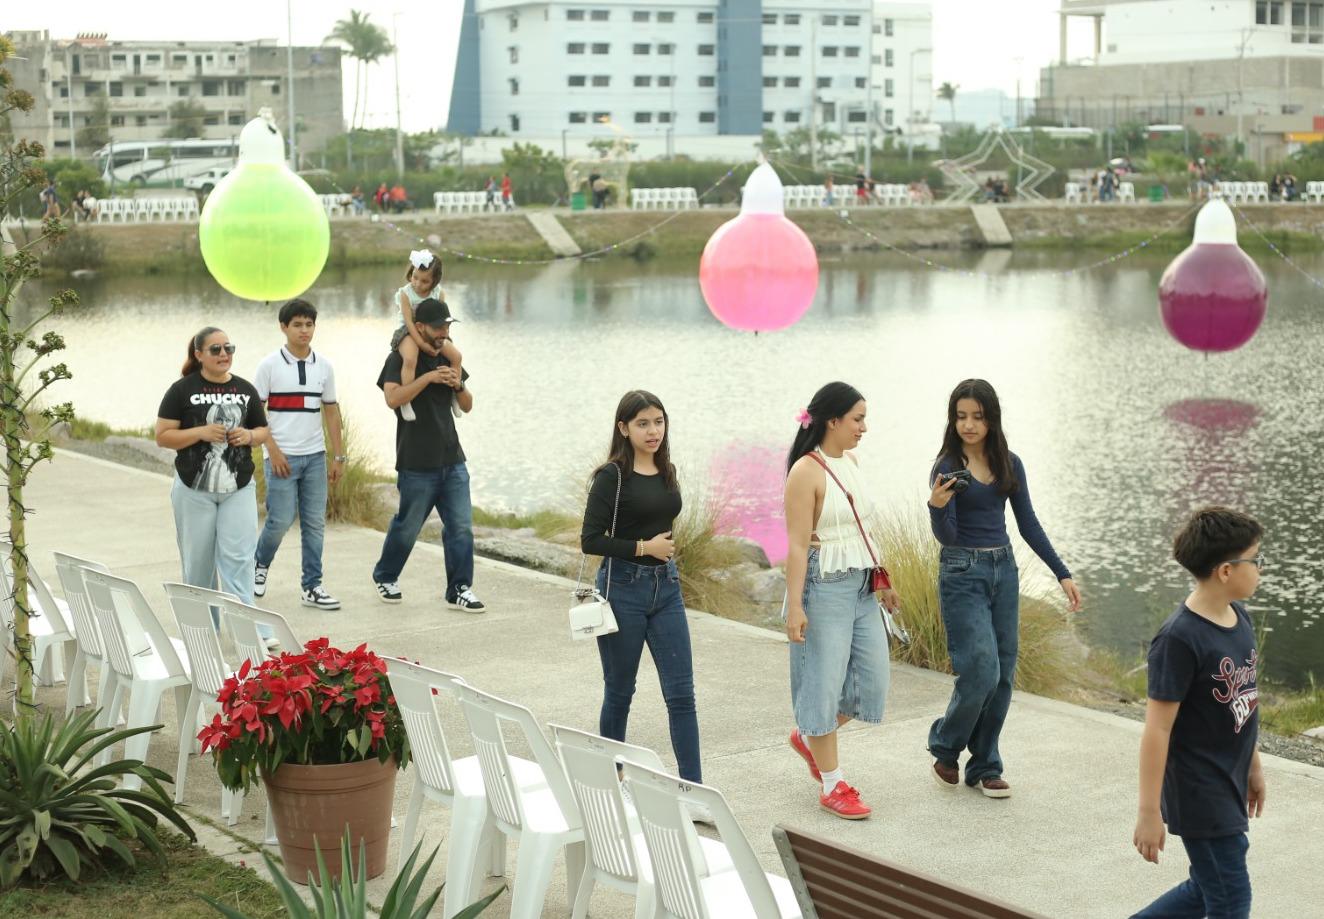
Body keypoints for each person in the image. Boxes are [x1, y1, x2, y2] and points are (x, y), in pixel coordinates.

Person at [926, 379, 1081, 797]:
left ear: (991, 418)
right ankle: (945, 743)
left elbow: (1027, 523)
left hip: (1003, 570)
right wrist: (936, 509)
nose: (969, 425)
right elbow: (948, 536)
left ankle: (984, 765)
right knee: (980, 670)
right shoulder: (947, 467)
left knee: (1004, 675)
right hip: (962, 571)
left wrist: (1061, 571)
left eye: (977, 416)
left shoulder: (1010, 463)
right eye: (961, 416)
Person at [1130, 507, 1265, 919]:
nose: (1260, 569)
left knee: (1206, 889)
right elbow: (1157, 729)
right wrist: (1149, 812)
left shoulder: (1236, 617)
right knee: (1230, 900)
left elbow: (1243, 703)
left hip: (1227, 781)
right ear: (1226, 571)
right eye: (1255, 560)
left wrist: (1253, 766)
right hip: (1198, 791)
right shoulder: (1179, 639)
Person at [580, 390, 705, 809]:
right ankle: (610, 779)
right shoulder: (611, 477)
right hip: (623, 590)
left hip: (666, 588)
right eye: (643, 424)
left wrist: (659, 555)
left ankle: (694, 794)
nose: (653, 431)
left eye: (659, 421)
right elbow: (590, 540)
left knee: (682, 693)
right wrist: (642, 549)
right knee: (620, 691)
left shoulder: (667, 469)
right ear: (623, 428)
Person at [783, 382, 899, 820]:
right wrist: (795, 606)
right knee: (822, 685)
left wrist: (882, 577)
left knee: (872, 685)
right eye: (858, 419)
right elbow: (796, 546)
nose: (864, 428)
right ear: (832, 421)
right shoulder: (804, 472)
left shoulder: (850, 461)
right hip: (823, 586)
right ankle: (833, 785)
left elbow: (863, 527)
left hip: (862, 584)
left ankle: (808, 735)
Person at [371, 297, 485, 612]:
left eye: (447, 326)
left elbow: (467, 406)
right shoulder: (399, 358)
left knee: (461, 527)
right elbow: (393, 398)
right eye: (438, 327)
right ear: (420, 327)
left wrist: (457, 384)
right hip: (416, 463)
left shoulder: (447, 356)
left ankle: (459, 589)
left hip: (453, 460)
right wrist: (429, 378)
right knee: (407, 526)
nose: (443, 332)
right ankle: (385, 576)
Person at [155, 327, 269, 617]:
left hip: (238, 487)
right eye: (215, 350)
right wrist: (201, 432)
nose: (224, 355)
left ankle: (250, 626)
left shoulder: (245, 389)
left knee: (239, 560)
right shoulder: (182, 390)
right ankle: (204, 630)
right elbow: (163, 436)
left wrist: (249, 437)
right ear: (199, 354)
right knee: (199, 566)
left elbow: (263, 430)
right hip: (194, 489)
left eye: (228, 348)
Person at [251, 299, 344, 611]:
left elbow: (331, 412)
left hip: (315, 457)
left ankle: (312, 586)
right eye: (297, 325)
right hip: (281, 457)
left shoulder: (325, 366)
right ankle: (259, 564)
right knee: (279, 520)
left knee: (315, 523)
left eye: (309, 324)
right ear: (284, 327)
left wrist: (338, 456)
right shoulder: (268, 366)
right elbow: (256, 416)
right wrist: (273, 452)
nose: (304, 330)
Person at [390, 249, 463, 423]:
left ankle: (454, 392)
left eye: (424, 281)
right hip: (409, 331)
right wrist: (422, 344)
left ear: (434, 282)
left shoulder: (439, 293)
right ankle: (406, 402)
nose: (417, 283)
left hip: (431, 331)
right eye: (415, 277)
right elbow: (408, 321)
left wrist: (442, 339)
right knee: (410, 359)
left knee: (456, 356)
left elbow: (443, 318)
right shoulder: (405, 293)